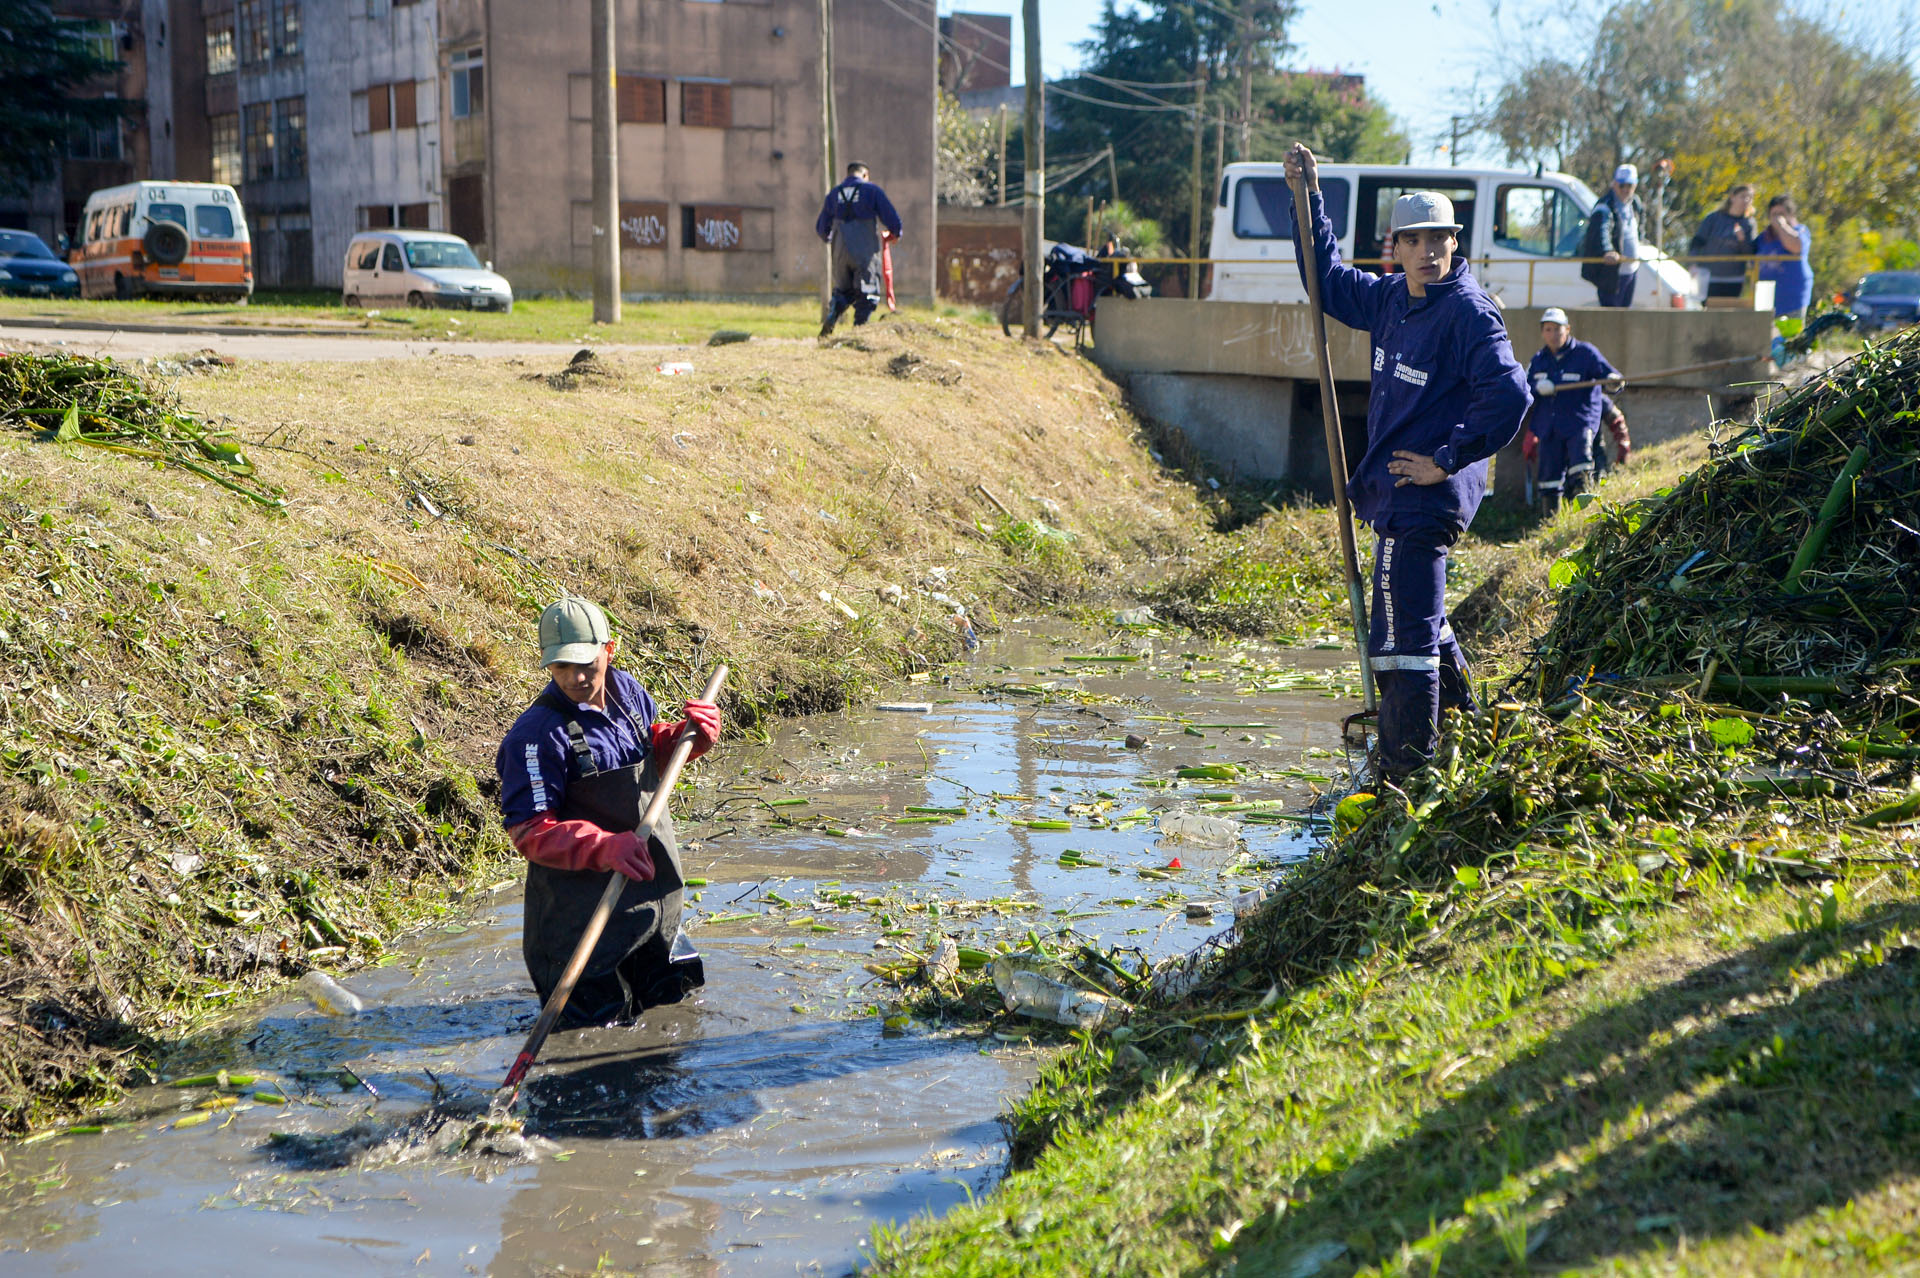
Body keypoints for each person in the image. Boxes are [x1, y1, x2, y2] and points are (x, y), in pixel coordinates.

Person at [1283, 142, 1531, 780]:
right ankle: (1464, 728)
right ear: (1395, 245)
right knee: (1423, 618)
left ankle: (1405, 773)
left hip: (1426, 497)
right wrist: (1307, 198)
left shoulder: (1469, 313)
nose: (1427, 250)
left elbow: (1509, 396)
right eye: (1414, 239)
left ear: (1454, 242)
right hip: (1398, 491)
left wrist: (1447, 459)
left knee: (1399, 638)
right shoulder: (1393, 298)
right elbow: (1327, 281)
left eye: (1439, 238)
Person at [494, 595, 721, 1026]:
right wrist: (602, 846)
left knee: (673, 1015)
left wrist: (687, 740)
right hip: (580, 920)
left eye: (586, 663)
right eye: (562, 667)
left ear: (609, 650)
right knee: (591, 1034)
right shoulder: (535, 737)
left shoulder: (628, 692)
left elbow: (651, 754)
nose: (576, 677)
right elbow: (529, 830)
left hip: (650, 900)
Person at [1526, 307, 1624, 513]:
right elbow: (1525, 391)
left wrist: (1614, 382)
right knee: (1549, 480)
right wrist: (1536, 389)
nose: (1553, 335)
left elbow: (1611, 379)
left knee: (1581, 470)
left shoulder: (1586, 354)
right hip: (1548, 427)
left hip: (1578, 424)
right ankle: (1550, 523)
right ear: (1542, 332)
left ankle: (1583, 516)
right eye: (1548, 330)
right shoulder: (1538, 360)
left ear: (1568, 329)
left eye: (1558, 329)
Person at [815, 162, 903, 336]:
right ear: (865, 175)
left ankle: (833, 315)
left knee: (843, 290)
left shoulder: (834, 194)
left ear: (848, 174)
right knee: (867, 292)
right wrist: (895, 232)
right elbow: (891, 217)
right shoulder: (871, 191)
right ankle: (858, 333)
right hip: (863, 249)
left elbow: (821, 227)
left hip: (840, 248)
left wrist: (829, 238)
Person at [1580, 164, 1644, 307]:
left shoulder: (1635, 204)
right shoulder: (1605, 206)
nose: (1626, 190)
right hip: (1613, 274)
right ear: (1614, 184)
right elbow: (1602, 230)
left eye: (1629, 185)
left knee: (1624, 316)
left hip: (1631, 270)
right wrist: (1608, 250)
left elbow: (1639, 229)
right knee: (1611, 316)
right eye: (1622, 185)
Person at [1757, 194, 1814, 346]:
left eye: (1781, 214)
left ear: (1790, 214)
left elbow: (1796, 247)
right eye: (1773, 214)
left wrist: (1782, 226)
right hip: (1767, 298)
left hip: (1792, 298)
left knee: (1791, 340)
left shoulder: (1800, 230)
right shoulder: (1764, 237)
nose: (1776, 218)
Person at [1689, 184, 1757, 301]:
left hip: (1734, 279)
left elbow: (1750, 253)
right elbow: (1697, 241)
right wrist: (1692, 263)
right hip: (1710, 277)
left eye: (1749, 197)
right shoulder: (1713, 218)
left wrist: (1742, 240)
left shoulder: (1749, 223)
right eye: (1742, 196)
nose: (1746, 200)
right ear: (1732, 197)